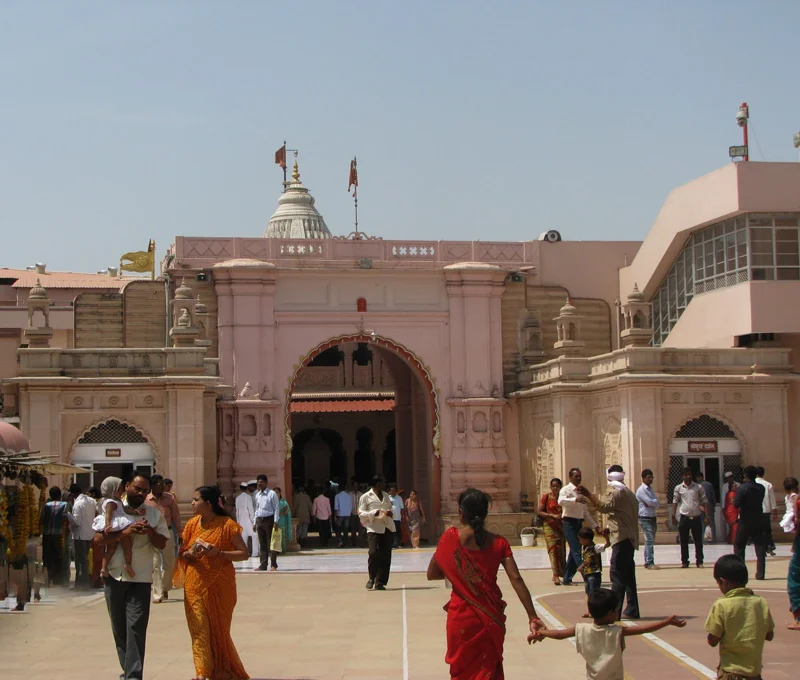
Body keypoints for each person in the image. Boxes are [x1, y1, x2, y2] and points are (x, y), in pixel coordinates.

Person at [428, 488, 546, 679]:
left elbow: (432, 573)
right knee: (488, 669)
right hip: (491, 616)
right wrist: (532, 617)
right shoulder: (500, 543)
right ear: (485, 514)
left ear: (461, 513)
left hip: (462, 617)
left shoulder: (450, 538)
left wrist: (460, 574)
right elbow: (516, 579)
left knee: (462, 672)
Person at [93, 474, 170, 680]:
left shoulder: (153, 515)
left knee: (136, 628)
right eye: (137, 488)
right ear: (127, 487)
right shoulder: (113, 508)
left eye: (145, 490)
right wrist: (124, 533)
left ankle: (133, 676)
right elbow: (98, 539)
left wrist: (150, 532)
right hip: (114, 577)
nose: (141, 493)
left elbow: (162, 543)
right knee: (119, 629)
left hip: (140, 579)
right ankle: (128, 671)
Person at [530, 588, 685, 679]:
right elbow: (644, 629)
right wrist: (666, 622)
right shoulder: (616, 632)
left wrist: (543, 632)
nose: (617, 612)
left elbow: (559, 635)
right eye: (616, 610)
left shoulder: (581, 629)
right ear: (610, 612)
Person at [180, 485, 250, 680]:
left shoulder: (227, 525)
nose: (192, 503)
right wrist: (191, 554)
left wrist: (219, 553)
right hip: (195, 584)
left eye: (196, 500)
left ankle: (222, 667)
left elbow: (244, 553)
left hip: (221, 585)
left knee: (219, 628)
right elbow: (182, 553)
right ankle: (202, 672)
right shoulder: (192, 524)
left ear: (208, 503)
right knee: (199, 627)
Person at [579, 465, 641, 620]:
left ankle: (614, 612)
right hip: (629, 538)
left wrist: (588, 494)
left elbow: (604, 507)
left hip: (621, 539)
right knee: (628, 576)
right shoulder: (629, 493)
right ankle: (632, 608)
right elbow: (620, 516)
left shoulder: (615, 492)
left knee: (618, 576)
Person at [704, 554, 774, 679]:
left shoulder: (721, 605)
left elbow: (712, 640)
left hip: (731, 673)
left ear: (723, 581)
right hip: (754, 673)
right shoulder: (761, 602)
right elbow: (769, 635)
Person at [558, 467, 598, 586]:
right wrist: (575, 499)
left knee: (573, 552)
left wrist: (595, 526)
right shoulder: (566, 490)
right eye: (576, 476)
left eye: (580, 476)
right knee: (577, 551)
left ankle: (567, 577)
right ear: (570, 477)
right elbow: (560, 501)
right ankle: (587, 576)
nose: (578, 478)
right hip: (568, 523)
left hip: (579, 523)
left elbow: (585, 512)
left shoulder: (581, 491)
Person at [145, 474, 181, 603]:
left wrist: (180, 533)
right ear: (152, 486)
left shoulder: (169, 498)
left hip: (168, 531)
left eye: (162, 484)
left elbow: (176, 516)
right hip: (152, 533)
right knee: (155, 564)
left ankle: (165, 587)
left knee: (169, 563)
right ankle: (157, 593)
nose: (160, 487)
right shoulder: (147, 500)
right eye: (157, 485)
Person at [92, 476, 137, 579]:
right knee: (127, 546)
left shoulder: (116, 501)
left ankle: (104, 568)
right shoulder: (111, 502)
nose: (122, 491)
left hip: (116, 526)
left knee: (111, 549)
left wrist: (136, 512)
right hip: (118, 526)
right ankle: (128, 564)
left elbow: (126, 510)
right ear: (112, 490)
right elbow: (108, 514)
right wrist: (108, 525)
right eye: (120, 489)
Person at [358, 475, 395, 590]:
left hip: (387, 527)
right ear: (377, 484)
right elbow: (360, 513)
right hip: (373, 528)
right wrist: (373, 513)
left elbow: (390, 508)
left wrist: (390, 512)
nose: (385, 485)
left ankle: (380, 582)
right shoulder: (365, 497)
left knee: (385, 555)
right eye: (383, 482)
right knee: (373, 553)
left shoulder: (386, 496)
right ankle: (371, 577)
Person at [733, 466, 767, 580]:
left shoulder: (742, 488)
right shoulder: (761, 488)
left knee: (739, 545)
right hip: (758, 518)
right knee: (760, 546)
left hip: (745, 520)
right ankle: (761, 573)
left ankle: (740, 573)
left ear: (745, 475)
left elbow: (736, 504)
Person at [672, 467, 709, 569]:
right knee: (683, 541)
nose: (688, 477)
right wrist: (673, 515)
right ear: (682, 476)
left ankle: (699, 561)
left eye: (689, 475)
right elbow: (675, 501)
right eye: (685, 475)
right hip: (684, 517)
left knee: (698, 541)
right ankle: (684, 561)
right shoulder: (678, 488)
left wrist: (707, 515)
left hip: (696, 517)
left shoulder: (698, 487)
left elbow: (704, 501)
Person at [536, 477, 566, 586]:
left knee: (561, 550)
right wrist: (551, 515)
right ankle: (555, 574)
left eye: (557, 486)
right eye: (553, 486)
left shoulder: (563, 498)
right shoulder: (547, 497)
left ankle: (563, 572)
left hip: (561, 526)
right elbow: (539, 511)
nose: (555, 488)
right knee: (553, 549)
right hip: (549, 525)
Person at [68, 483, 96, 589]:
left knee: (80, 561)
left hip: (79, 536)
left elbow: (76, 522)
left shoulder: (78, 504)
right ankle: (84, 583)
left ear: (73, 494)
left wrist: (68, 516)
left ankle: (81, 584)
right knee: (85, 560)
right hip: (89, 534)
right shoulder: (91, 501)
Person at [40, 486, 69, 586]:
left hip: (47, 534)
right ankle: (58, 580)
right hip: (58, 535)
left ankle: (49, 579)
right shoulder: (64, 504)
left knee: (47, 556)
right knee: (58, 556)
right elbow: (66, 517)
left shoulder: (46, 505)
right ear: (60, 495)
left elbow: (42, 519)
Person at [577, 526, 610, 609]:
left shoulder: (595, 547)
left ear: (587, 539)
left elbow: (607, 545)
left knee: (594, 593)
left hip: (594, 573)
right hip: (587, 573)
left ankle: (595, 609)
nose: (580, 541)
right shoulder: (584, 547)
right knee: (588, 592)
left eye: (581, 539)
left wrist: (606, 537)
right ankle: (590, 610)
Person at [253, 474, 280, 571]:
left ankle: (273, 565)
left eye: (261, 482)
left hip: (269, 520)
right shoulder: (257, 495)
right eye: (258, 482)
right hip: (260, 520)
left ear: (266, 483)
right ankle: (263, 565)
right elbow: (256, 509)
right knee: (262, 544)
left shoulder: (272, 494)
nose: (259, 484)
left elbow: (276, 508)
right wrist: (254, 522)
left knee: (272, 543)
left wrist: (276, 521)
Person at [635, 469, 660, 569]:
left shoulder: (650, 489)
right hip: (644, 518)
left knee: (650, 540)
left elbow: (657, 503)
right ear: (643, 478)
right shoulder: (641, 490)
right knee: (649, 539)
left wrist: (652, 503)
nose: (650, 479)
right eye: (648, 477)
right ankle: (650, 562)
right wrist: (652, 503)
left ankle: (647, 560)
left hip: (652, 517)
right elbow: (650, 502)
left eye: (651, 477)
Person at [785, 478, 800, 630]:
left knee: (794, 580)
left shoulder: (797, 501)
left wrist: (795, 542)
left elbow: (797, 522)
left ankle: (799, 618)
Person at [755, 466, 777, 556]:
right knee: (767, 531)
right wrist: (774, 511)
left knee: (758, 531)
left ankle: (762, 548)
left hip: (756, 511)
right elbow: (772, 499)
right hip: (766, 511)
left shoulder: (752, 484)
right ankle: (769, 547)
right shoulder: (768, 484)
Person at [235, 482, 258, 557]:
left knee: (244, 538)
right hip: (249, 520)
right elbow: (250, 510)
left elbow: (237, 511)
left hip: (241, 521)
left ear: (240, 489)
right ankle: (255, 553)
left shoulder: (237, 498)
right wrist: (253, 521)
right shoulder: (248, 497)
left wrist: (238, 522)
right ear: (246, 489)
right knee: (254, 536)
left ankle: (245, 553)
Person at [696, 472, 717, 543]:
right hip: (709, 505)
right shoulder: (709, 485)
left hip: (700, 506)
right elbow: (713, 496)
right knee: (711, 523)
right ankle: (713, 540)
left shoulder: (696, 486)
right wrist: (713, 505)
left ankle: (703, 540)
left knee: (702, 523)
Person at [292, 485, 313, 549]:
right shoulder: (307, 497)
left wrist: (293, 514)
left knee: (299, 528)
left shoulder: (296, 497)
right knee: (305, 528)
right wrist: (312, 515)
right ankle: (303, 540)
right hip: (306, 515)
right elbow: (310, 507)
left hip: (299, 515)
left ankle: (299, 540)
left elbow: (295, 506)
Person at [334, 482, 354, 548]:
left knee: (338, 529)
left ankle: (340, 541)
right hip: (347, 514)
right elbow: (351, 505)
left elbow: (336, 507)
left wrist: (335, 516)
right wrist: (350, 512)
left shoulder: (337, 496)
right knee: (346, 529)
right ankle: (345, 542)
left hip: (340, 514)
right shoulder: (349, 496)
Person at [722, 472, 740, 545]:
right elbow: (723, 498)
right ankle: (731, 539)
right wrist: (723, 508)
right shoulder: (725, 487)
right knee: (731, 526)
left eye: (731, 477)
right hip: (730, 510)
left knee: (735, 526)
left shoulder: (738, 485)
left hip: (735, 510)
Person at [274, 487, 292, 553]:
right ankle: (275, 551)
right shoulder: (271, 502)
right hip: (274, 523)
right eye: (274, 492)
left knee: (282, 538)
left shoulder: (284, 502)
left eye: (277, 492)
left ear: (280, 493)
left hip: (282, 522)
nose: (275, 494)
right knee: (275, 538)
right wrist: (280, 513)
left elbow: (287, 511)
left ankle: (283, 550)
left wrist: (283, 513)